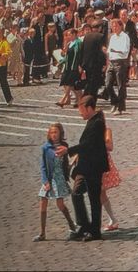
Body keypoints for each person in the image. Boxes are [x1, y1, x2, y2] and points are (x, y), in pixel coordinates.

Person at [57, 95, 109, 242]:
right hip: (84, 166)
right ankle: (84, 225)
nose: (80, 113)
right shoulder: (92, 121)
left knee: (94, 199)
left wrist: (68, 150)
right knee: (76, 193)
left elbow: (88, 145)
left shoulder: (97, 123)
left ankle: (95, 231)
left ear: (89, 108)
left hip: (94, 167)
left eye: (81, 110)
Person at [34, 123, 76, 242]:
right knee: (43, 202)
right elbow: (43, 166)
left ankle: (71, 225)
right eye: (52, 132)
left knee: (60, 204)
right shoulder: (46, 148)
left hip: (59, 178)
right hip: (49, 178)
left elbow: (67, 160)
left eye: (56, 132)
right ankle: (42, 233)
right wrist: (45, 181)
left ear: (60, 133)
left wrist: (71, 164)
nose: (54, 135)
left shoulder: (64, 146)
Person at [105, 17, 130, 114]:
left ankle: (120, 107)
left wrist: (115, 50)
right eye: (113, 26)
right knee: (107, 84)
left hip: (120, 62)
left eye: (116, 26)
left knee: (121, 85)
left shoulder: (125, 37)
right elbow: (109, 51)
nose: (114, 28)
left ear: (120, 26)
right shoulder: (112, 37)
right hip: (112, 62)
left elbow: (125, 51)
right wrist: (107, 62)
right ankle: (114, 101)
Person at [101, 123, 121, 233]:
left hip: (103, 164)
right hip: (93, 164)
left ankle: (112, 220)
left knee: (100, 192)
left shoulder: (106, 131)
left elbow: (110, 147)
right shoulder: (90, 129)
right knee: (100, 193)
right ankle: (112, 219)